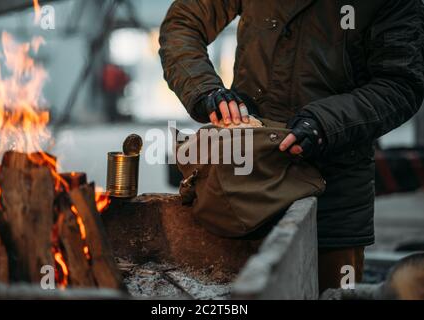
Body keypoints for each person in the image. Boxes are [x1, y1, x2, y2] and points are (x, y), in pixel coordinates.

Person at [159, 0, 424, 293]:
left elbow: (400, 83)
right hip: (244, 181)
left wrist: (324, 123)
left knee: (335, 292)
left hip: (334, 190)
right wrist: (205, 90)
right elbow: (183, 22)